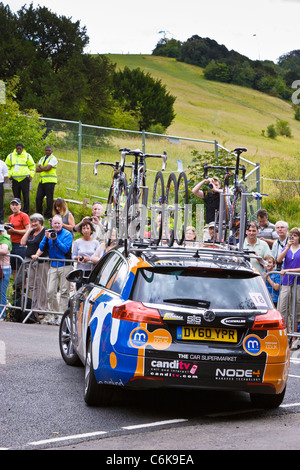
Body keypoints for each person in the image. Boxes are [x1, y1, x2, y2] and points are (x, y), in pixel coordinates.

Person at [32, 215, 73, 323]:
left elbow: (65, 249)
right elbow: (41, 247)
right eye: (55, 223)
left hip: (65, 265)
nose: (57, 225)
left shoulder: (67, 234)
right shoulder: (49, 234)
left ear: (61, 224)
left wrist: (56, 240)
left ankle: (61, 317)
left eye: (59, 223)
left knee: (64, 292)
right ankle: (54, 314)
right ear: (52, 224)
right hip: (53, 265)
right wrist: (46, 237)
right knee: (50, 291)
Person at [20, 213, 49, 313]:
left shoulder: (45, 232)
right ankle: (33, 306)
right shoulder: (32, 232)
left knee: (41, 285)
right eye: (32, 221)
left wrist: (37, 256)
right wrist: (28, 230)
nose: (33, 223)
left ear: (41, 222)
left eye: (36, 221)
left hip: (41, 262)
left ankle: (41, 308)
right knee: (31, 285)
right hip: (30, 262)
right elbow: (23, 243)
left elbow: (44, 246)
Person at [277, 227, 300, 337]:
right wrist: (287, 247)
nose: (293, 238)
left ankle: (294, 335)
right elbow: (279, 260)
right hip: (286, 282)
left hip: (297, 282)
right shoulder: (287, 247)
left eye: (295, 236)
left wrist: (288, 270)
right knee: (283, 308)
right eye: (291, 235)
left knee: (295, 308)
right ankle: (284, 333)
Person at [5, 143, 35, 214]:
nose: (18, 150)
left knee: (26, 197)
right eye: (17, 149)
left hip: (24, 179)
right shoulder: (11, 156)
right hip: (15, 180)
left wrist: (31, 175)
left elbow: (32, 166)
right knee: (16, 197)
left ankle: (25, 212)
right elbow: (7, 167)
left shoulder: (27, 156)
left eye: (20, 149)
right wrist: (10, 175)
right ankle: (17, 212)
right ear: (15, 149)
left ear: (22, 149)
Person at [6, 198, 30, 279]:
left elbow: (28, 230)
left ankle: (24, 288)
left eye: (16, 205)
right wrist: (8, 230)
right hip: (12, 243)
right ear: (10, 206)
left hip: (21, 244)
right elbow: (10, 232)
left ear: (20, 206)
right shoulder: (10, 217)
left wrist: (14, 230)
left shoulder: (24, 216)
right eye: (13, 205)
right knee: (13, 267)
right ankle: (17, 288)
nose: (14, 207)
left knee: (21, 267)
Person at [72, 220, 99, 287]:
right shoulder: (77, 242)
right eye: (84, 228)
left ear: (91, 231)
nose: (86, 230)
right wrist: (77, 258)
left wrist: (89, 259)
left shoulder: (96, 243)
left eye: (87, 228)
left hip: (91, 270)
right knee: (79, 288)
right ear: (81, 231)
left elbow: (98, 256)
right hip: (80, 270)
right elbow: (73, 255)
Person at [36, 145, 58, 220]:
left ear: (52, 151)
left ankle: (48, 215)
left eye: (49, 150)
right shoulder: (42, 158)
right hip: (42, 181)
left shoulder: (53, 158)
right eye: (46, 150)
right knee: (38, 198)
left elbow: (48, 168)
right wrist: (43, 168)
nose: (47, 151)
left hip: (50, 181)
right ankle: (39, 214)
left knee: (49, 199)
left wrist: (41, 167)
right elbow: (37, 169)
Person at [0, 225, 12, 320]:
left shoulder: (5, 239)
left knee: (2, 292)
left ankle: (2, 314)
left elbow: (4, 251)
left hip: (5, 269)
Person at [0, 159, 8, 223]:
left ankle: (0, 218)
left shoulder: (2, 163)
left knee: (0, 201)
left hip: (0, 183)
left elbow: (6, 175)